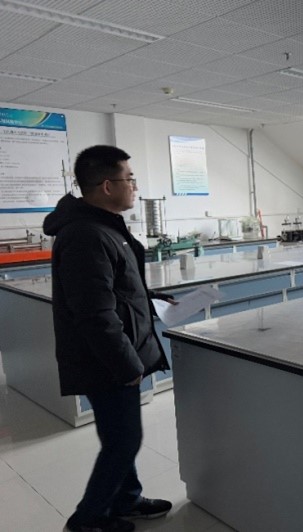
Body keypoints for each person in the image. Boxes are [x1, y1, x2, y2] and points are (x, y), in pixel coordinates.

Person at [43, 145, 174, 532]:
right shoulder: (86, 234)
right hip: (104, 361)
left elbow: (114, 289)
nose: (134, 186)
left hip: (111, 356)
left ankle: (126, 499)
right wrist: (126, 365)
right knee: (124, 441)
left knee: (118, 435)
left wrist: (150, 299)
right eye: (129, 178)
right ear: (106, 185)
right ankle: (87, 520)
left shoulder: (104, 226)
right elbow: (94, 313)